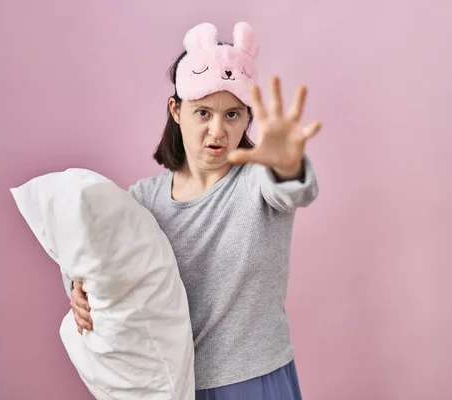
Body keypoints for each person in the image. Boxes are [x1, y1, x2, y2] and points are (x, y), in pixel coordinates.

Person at [66, 21, 321, 399]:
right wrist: (78, 291)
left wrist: (288, 164)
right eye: (203, 113)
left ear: (248, 117)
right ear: (176, 109)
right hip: (172, 386)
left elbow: (295, 189)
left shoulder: (257, 183)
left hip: (254, 381)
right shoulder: (143, 201)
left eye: (232, 114)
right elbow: (96, 263)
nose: (217, 131)